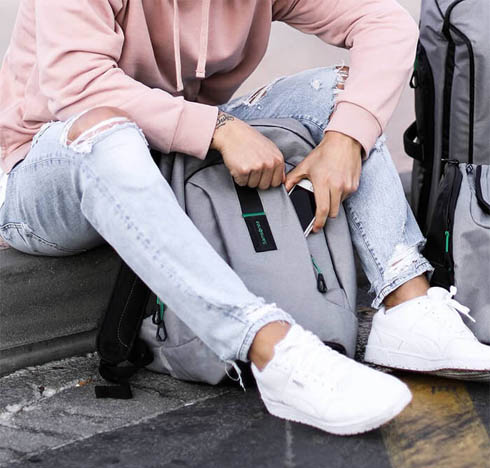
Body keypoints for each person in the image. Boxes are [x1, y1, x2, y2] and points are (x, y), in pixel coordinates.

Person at [1, 0, 489, 436]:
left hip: (168, 151)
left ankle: (406, 305)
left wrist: (346, 139)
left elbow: (383, 22)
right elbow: (78, 86)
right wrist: (218, 127)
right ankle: (270, 348)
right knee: (108, 132)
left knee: (333, 93)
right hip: (46, 168)